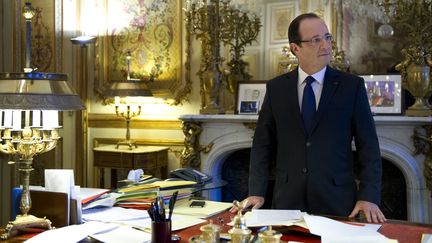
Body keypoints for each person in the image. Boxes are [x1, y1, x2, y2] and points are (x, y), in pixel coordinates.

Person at [230, 13, 386, 223]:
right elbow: (262, 145)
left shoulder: (352, 86)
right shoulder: (277, 88)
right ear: (295, 48)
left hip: (337, 200)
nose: (326, 45)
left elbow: (369, 146)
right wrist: (257, 191)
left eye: (327, 37)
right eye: (315, 40)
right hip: (286, 200)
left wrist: (368, 196)